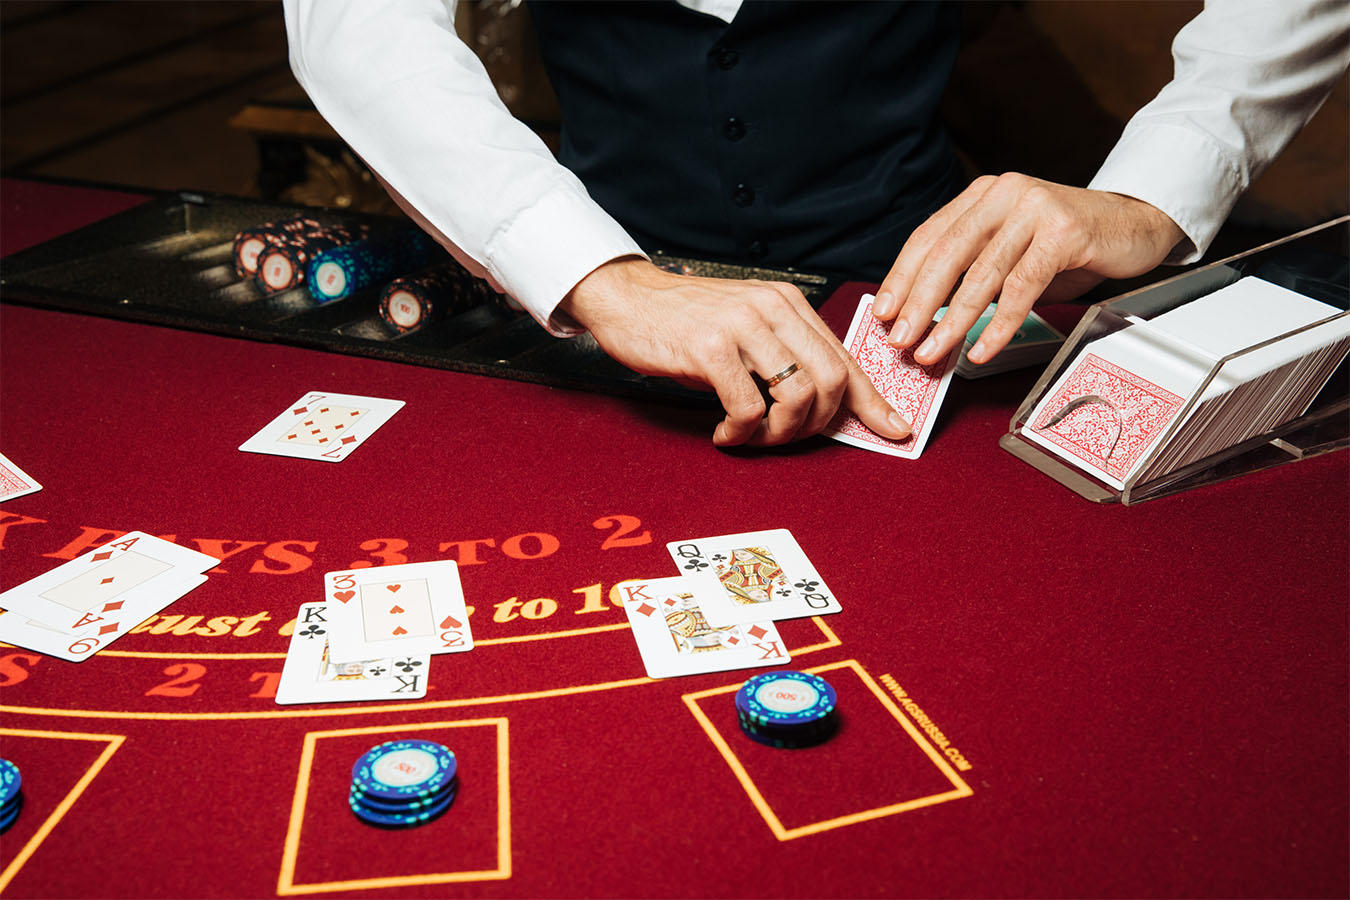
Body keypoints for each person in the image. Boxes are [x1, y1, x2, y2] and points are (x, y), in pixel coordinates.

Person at [282, 0, 1349, 448]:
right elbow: (358, 25)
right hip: (600, 305)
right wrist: (601, 278)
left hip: (922, 297)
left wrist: (1156, 190)